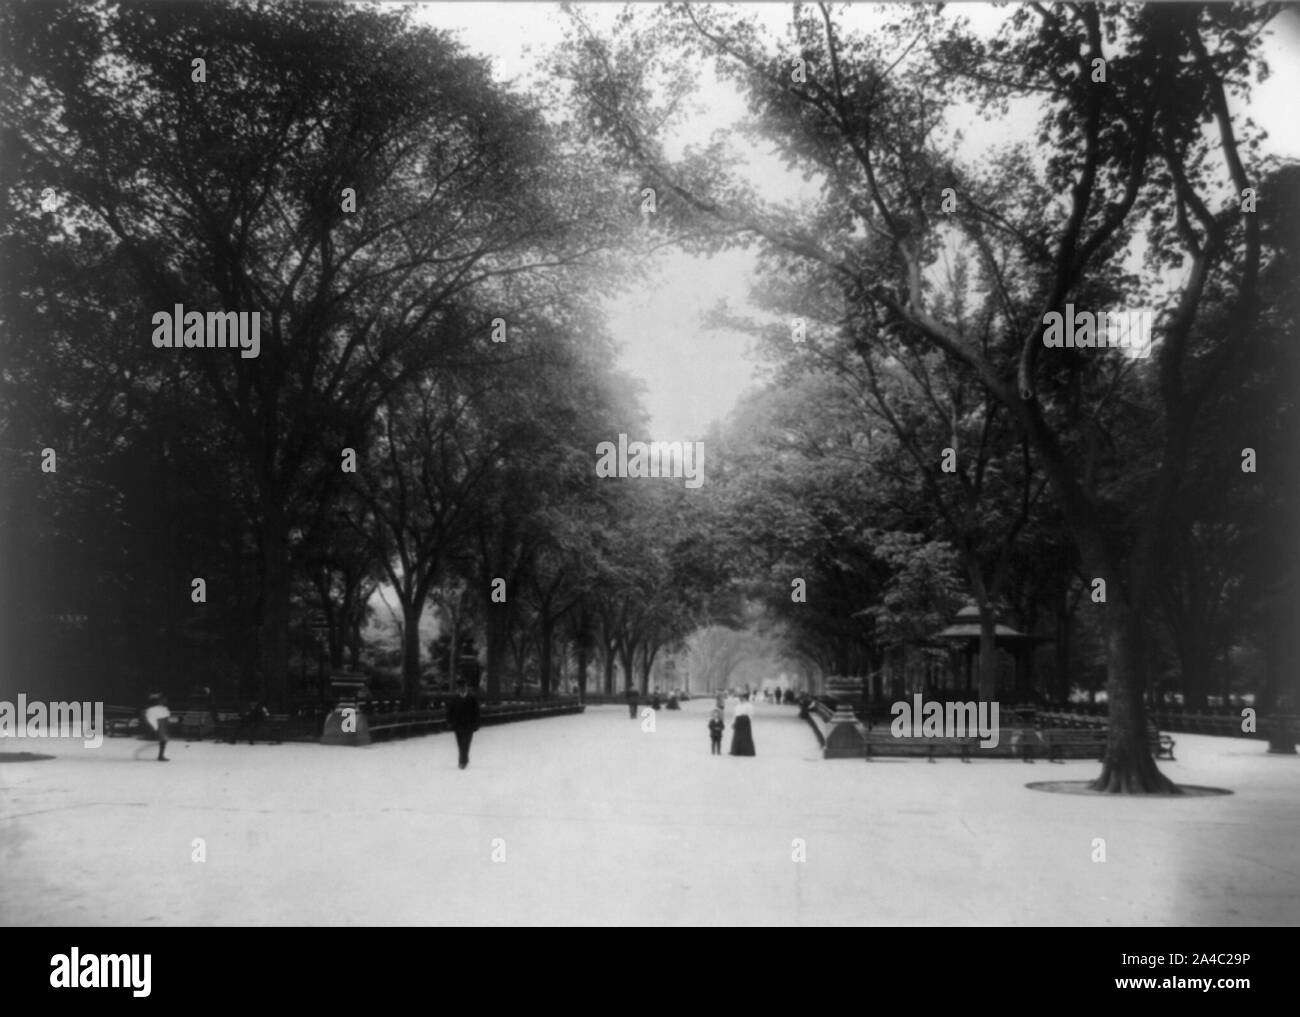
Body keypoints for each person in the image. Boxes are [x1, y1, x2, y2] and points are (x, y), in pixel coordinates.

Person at [445, 679, 480, 769]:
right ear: (458, 688)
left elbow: (476, 712)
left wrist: (476, 724)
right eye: (460, 687)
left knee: (466, 743)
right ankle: (465, 758)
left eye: (464, 687)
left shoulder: (472, 698)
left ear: (466, 687)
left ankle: (462, 762)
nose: (462, 689)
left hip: (469, 725)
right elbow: (449, 712)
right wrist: (449, 722)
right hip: (457, 725)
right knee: (460, 744)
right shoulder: (454, 699)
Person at [139, 694, 170, 762]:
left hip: (161, 726)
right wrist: (155, 727)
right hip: (159, 726)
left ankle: (161, 755)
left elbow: (165, 718)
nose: (164, 702)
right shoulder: (154, 709)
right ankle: (160, 756)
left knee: (163, 741)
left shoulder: (162, 709)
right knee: (163, 740)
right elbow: (151, 719)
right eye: (162, 701)